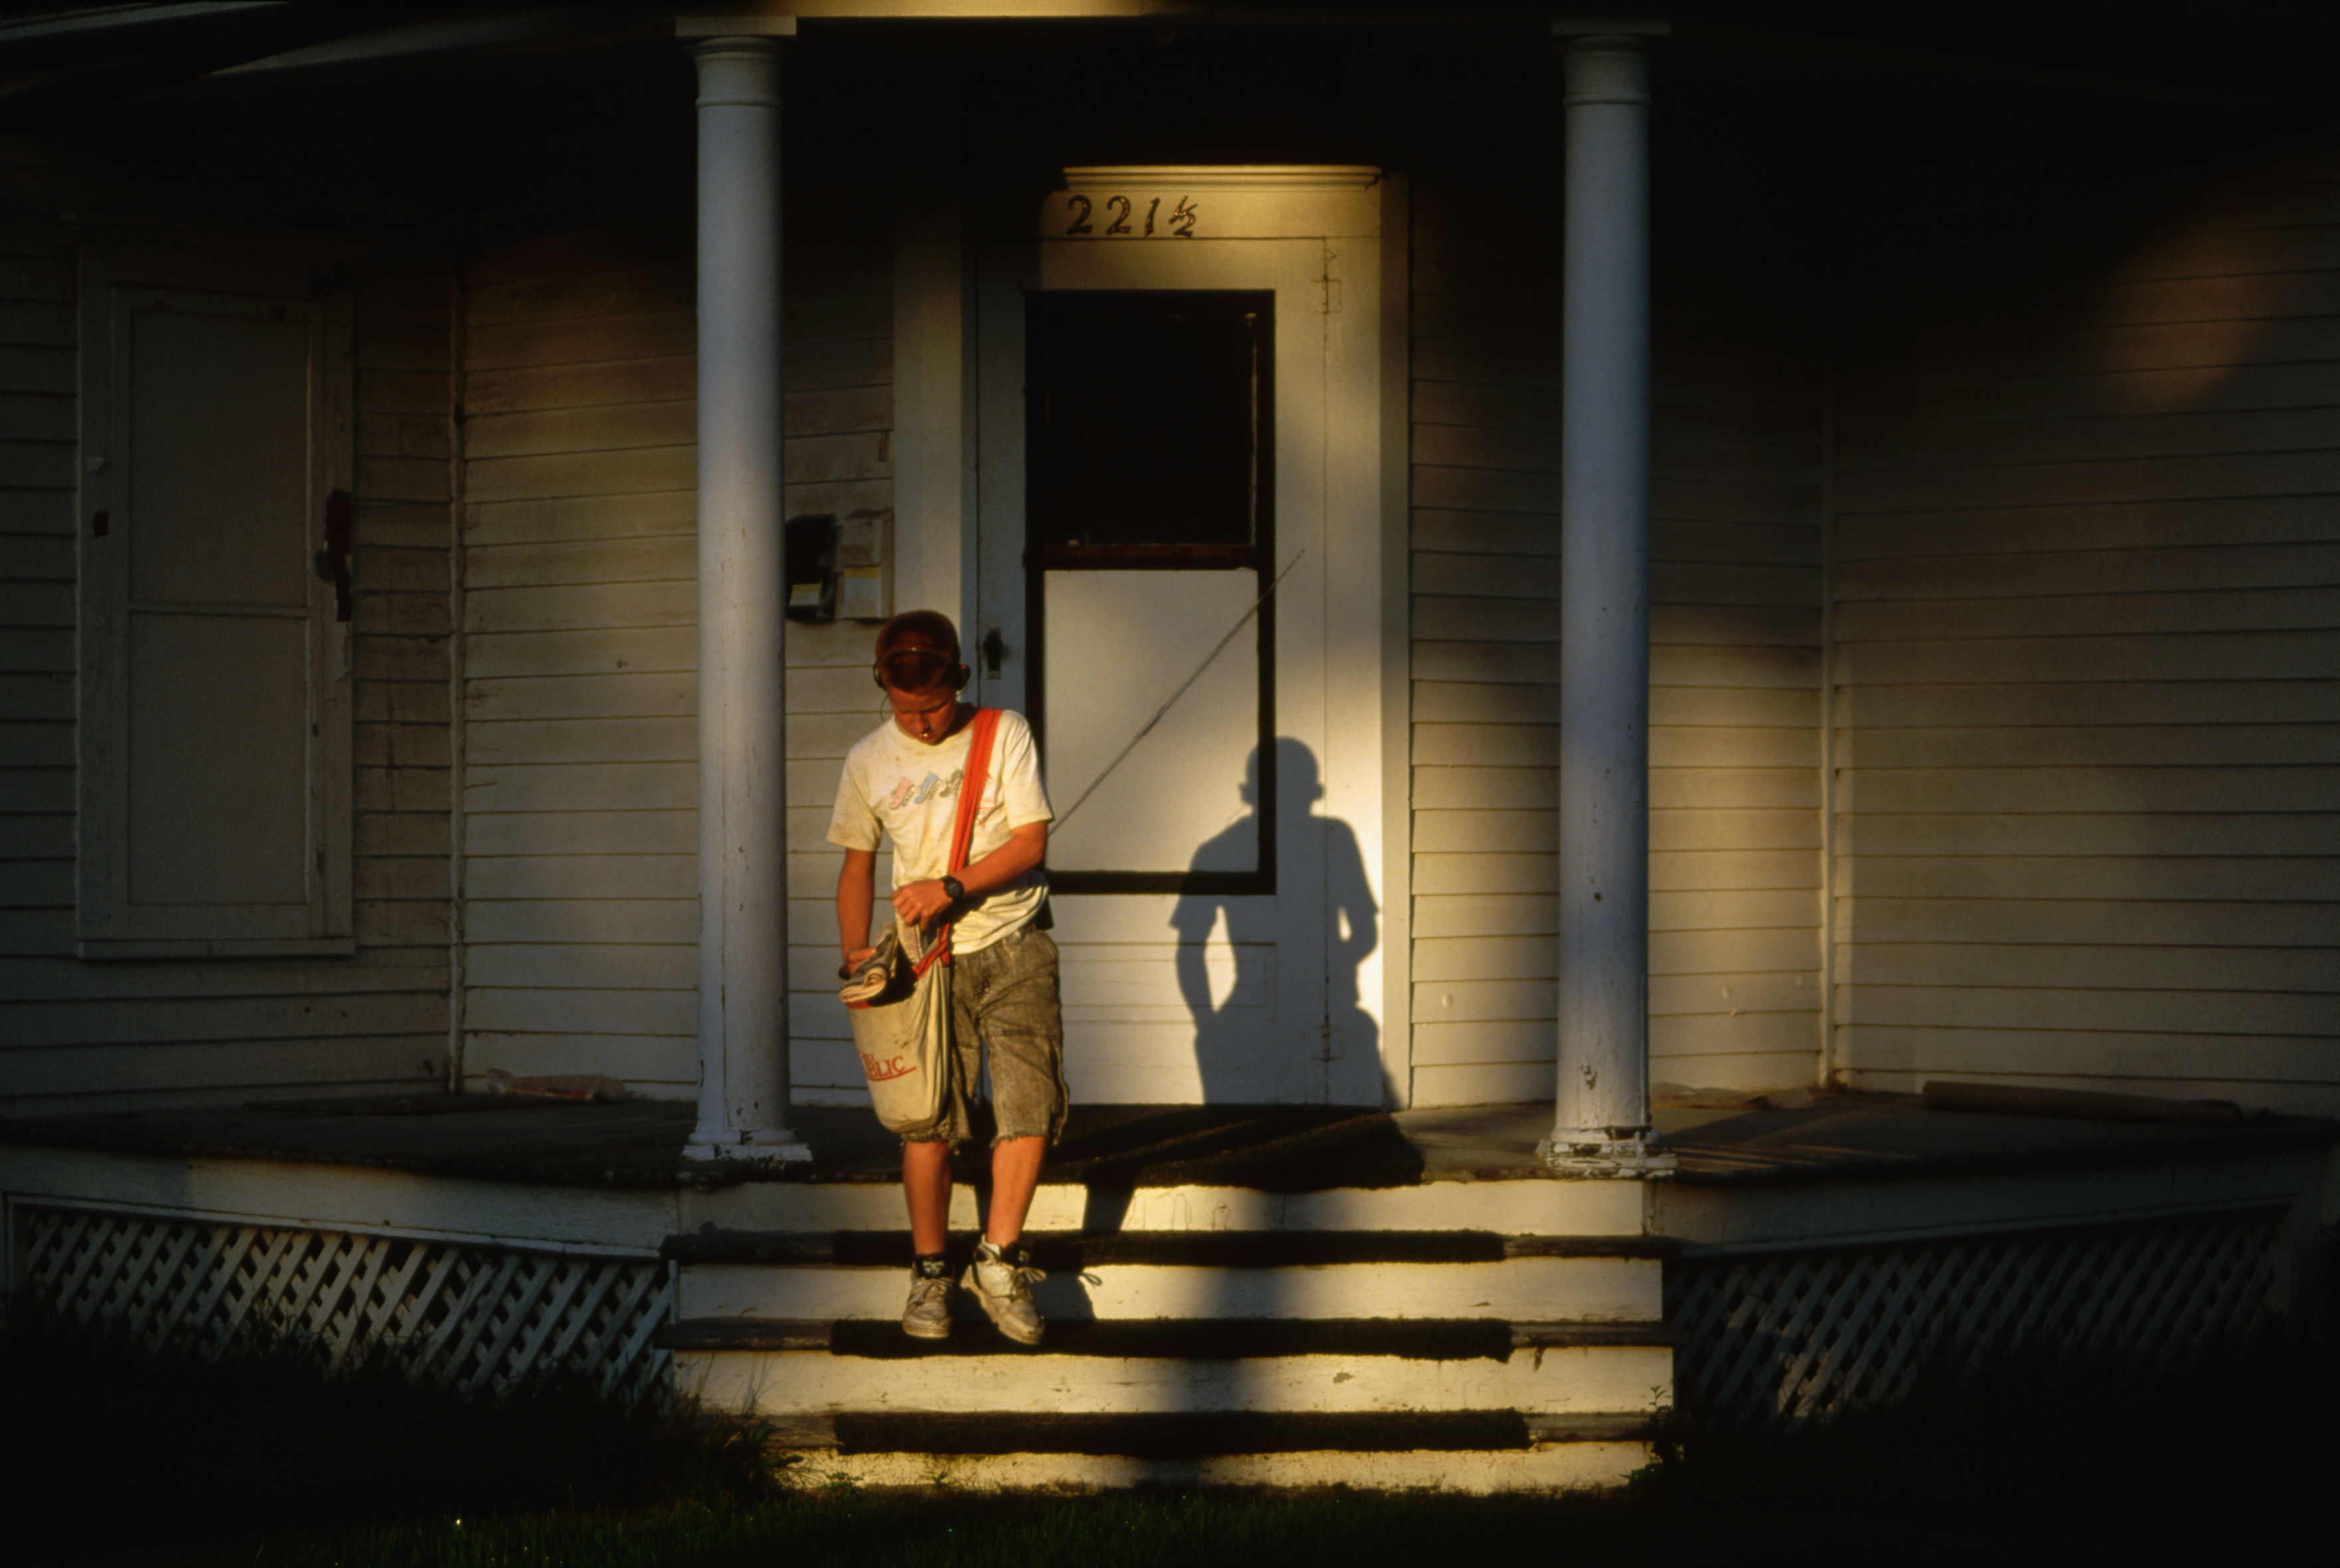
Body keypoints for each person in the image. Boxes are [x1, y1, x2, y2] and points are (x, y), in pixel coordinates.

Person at [828, 610, 1066, 1344]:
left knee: (1031, 1102)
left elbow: (1029, 840)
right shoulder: (869, 760)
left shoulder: (1003, 733)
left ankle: (998, 1258)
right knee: (925, 1119)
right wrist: (856, 958)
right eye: (906, 711)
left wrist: (952, 887)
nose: (923, 725)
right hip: (924, 965)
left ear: (960, 679)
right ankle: (931, 1272)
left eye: (932, 708)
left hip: (1014, 945)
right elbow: (856, 864)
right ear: (884, 692)